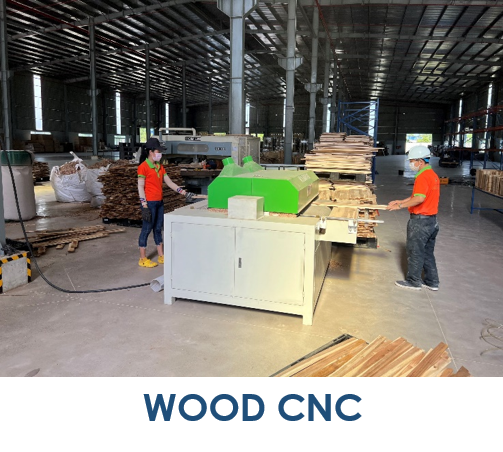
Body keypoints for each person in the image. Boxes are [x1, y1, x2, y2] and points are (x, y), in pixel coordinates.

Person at [387, 145, 440, 291]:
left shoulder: (422, 176)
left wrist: (400, 206)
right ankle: (432, 281)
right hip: (432, 221)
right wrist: (400, 201)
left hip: (420, 222)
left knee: (415, 251)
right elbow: (416, 196)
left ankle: (414, 281)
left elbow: (419, 199)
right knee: (427, 252)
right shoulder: (432, 175)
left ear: (420, 161)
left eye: (412, 161)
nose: (411, 164)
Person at [137, 137, 194, 268]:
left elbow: (169, 182)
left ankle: (161, 255)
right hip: (149, 203)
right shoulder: (143, 167)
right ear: (151, 151)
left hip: (159, 202)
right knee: (146, 229)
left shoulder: (159, 166)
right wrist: (144, 205)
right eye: (158, 151)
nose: (160, 154)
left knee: (158, 228)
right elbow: (140, 187)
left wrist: (184, 192)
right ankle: (143, 258)